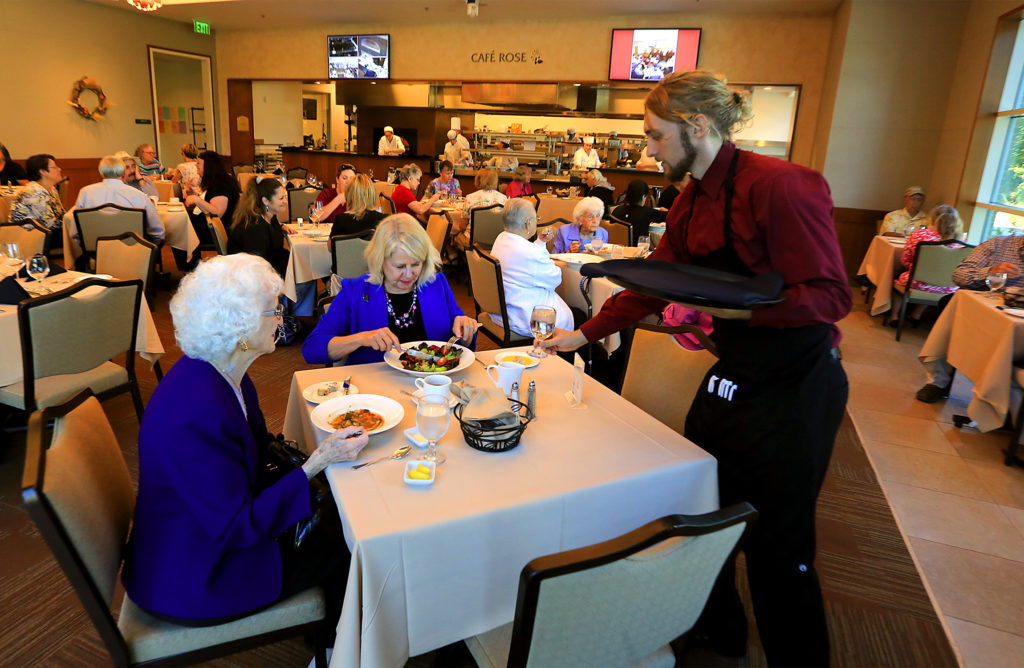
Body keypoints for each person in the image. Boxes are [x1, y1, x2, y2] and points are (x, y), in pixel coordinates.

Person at [538, 69, 851, 667]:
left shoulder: (784, 186)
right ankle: (721, 629)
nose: (648, 150)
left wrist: (735, 307)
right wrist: (582, 333)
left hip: (798, 384)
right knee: (702, 511)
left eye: (656, 137)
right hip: (736, 372)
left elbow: (832, 298)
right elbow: (657, 278)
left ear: (697, 126)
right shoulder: (691, 200)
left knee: (781, 548)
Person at [122, 253, 367, 634]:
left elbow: (251, 452)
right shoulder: (196, 414)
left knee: (342, 511)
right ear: (239, 328)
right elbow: (236, 527)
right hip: (196, 572)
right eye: (273, 312)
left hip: (200, 531)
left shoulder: (220, 370)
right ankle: (338, 647)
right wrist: (313, 465)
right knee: (347, 538)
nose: (281, 320)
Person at [301, 214, 478, 366]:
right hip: (375, 393)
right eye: (399, 266)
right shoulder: (355, 290)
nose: (409, 274)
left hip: (431, 389)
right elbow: (312, 348)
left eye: (416, 264)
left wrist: (465, 333)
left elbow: (458, 337)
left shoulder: (435, 283)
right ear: (380, 262)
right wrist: (361, 338)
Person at [916, 231, 1024, 403]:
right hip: (987, 311)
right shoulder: (998, 245)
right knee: (954, 309)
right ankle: (938, 382)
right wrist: (991, 272)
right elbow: (959, 275)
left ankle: (1006, 402)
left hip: (1018, 321)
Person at [229, 177, 315, 316]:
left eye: (285, 197)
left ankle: (295, 316)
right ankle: (294, 319)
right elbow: (259, 266)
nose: (285, 201)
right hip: (253, 278)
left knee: (305, 270)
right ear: (265, 201)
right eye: (281, 198)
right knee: (305, 278)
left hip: (272, 266)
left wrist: (282, 227)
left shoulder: (268, 216)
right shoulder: (254, 227)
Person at [489, 199, 573, 337]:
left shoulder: (501, 239)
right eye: (536, 218)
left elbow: (526, 263)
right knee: (576, 315)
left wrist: (540, 242)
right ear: (528, 223)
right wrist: (540, 251)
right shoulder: (530, 253)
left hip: (503, 311)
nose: (537, 221)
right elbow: (555, 279)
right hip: (524, 318)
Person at [70, 155, 165, 257]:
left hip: (97, 251)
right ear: (123, 172)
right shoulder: (137, 194)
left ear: (101, 172)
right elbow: (158, 231)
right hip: (133, 253)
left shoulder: (85, 193)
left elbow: (74, 232)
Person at [888, 205, 964, 326]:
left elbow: (905, 261)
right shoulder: (961, 243)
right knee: (933, 280)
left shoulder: (919, 235)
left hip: (918, 282)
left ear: (933, 220)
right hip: (947, 288)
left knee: (901, 278)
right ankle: (916, 315)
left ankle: (894, 316)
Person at [180, 150, 240, 270]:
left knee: (182, 228)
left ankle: (190, 267)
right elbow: (212, 200)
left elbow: (217, 213)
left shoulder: (221, 185)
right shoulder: (219, 181)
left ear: (209, 166)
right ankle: (191, 265)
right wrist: (196, 194)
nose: (196, 166)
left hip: (221, 228)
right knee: (184, 223)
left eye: (199, 163)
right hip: (218, 224)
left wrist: (197, 200)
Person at [10, 154, 65, 230]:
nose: (59, 169)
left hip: (45, 233)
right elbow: (51, 224)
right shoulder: (34, 192)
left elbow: (60, 214)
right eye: (54, 167)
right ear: (42, 171)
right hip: (28, 236)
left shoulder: (52, 189)